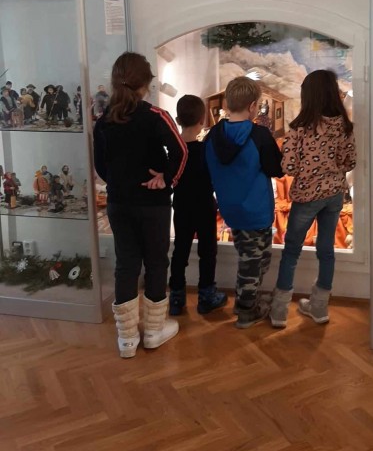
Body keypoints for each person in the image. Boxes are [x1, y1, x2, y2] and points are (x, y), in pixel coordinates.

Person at [93, 52, 188, 358]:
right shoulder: (156, 115)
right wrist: (166, 178)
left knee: (126, 264)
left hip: (118, 203)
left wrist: (121, 182)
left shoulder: (103, 121)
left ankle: (127, 339)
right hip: (153, 204)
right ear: (146, 83)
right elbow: (181, 151)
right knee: (157, 262)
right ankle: (154, 331)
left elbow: (101, 167)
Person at [270, 69, 356, 328]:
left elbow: (288, 167)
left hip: (306, 196)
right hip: (334, 194)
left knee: (291, 252)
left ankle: (279, 311)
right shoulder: (344, 126)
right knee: (326, 251)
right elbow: (350, 161)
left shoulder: (299, 128)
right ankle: (319, 307)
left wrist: (307, 169)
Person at [205, 76, 283, 329]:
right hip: (256, 210)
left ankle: (248, 301)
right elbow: (276, 168)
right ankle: (247, 310)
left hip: (230, 208)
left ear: (227, 104)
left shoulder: (213, 135)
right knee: (252, 263)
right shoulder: (259, 135)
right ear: (252, 106)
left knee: (252, 257)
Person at [168, 94, 227, 317]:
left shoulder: (175, 152)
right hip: (204, 206)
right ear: (202, 120)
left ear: (177, 120)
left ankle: (176, 297)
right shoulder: (206, 151)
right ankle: (206, 296)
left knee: (180, 250)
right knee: (208, 251)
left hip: (182, 206)